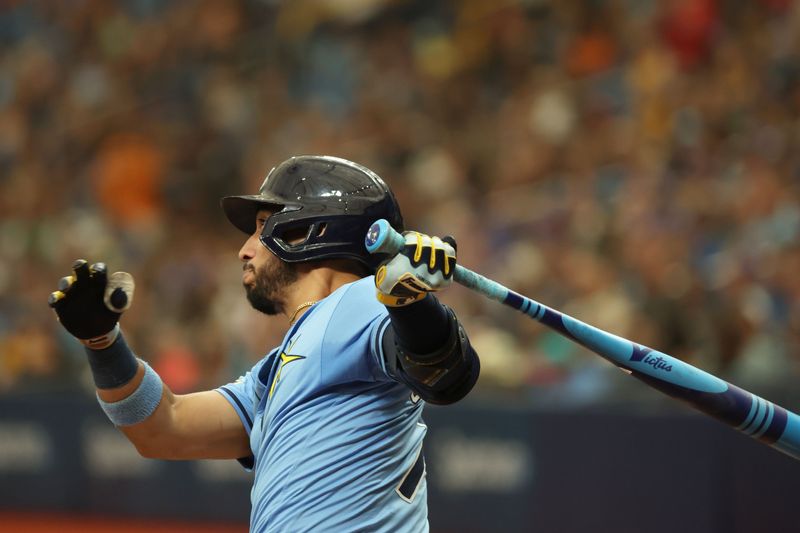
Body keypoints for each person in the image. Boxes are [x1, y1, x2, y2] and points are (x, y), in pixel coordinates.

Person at [48, 155, 481, 532]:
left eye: (260, 228)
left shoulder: (359, 301)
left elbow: (445, 372)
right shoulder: (278, 368)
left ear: (306, 232)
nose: (244, 249)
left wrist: (412, 304)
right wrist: (103, 342)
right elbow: (163, 429)